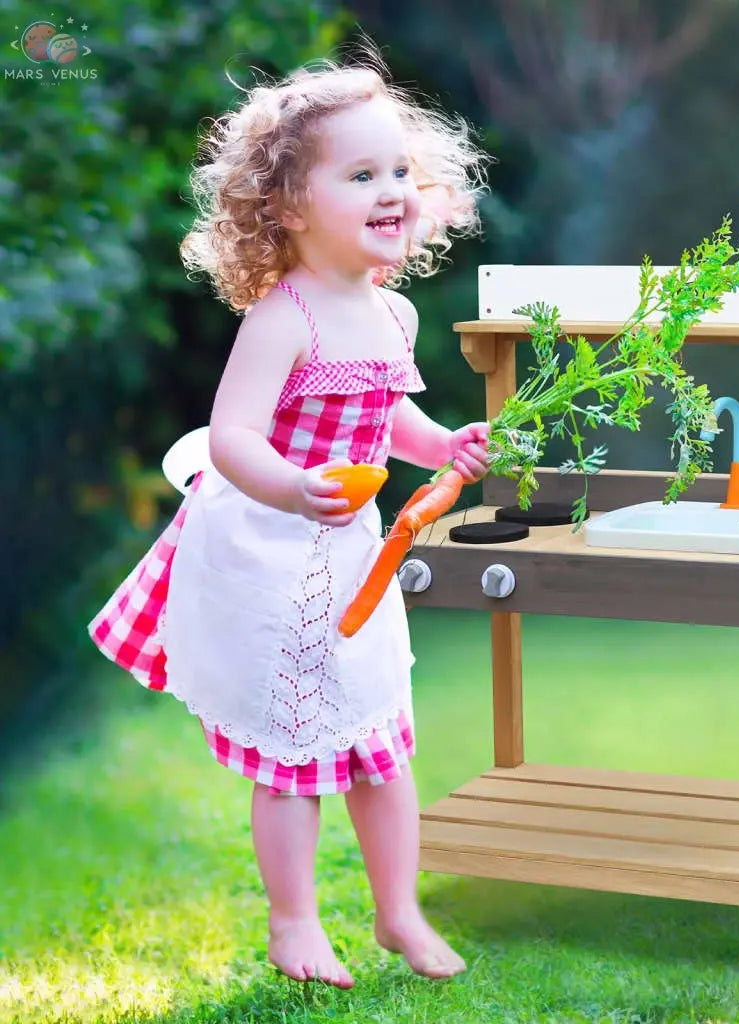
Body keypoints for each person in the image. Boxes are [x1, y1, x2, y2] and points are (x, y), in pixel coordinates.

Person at [88, 53, 493, 988]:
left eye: (398, 172)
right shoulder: (285, 317)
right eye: (361, 176)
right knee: (296, 753)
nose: (391, 190)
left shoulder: (391, 316)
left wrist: (444, 446)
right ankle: (294, 923)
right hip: (272, 553)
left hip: (351, 557)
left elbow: (389, 419)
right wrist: (289, 487)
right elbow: (232, 434)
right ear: (288, 208)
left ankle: (399, 915)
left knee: (383, 738)